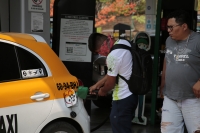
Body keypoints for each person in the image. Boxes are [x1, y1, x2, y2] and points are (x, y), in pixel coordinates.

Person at [88, 33, 138, 133]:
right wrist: (97, 85)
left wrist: (102, 90)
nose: (101, 54)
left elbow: (110, 84)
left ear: (102, 45)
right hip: (131, 96)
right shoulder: (123, 43)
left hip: (121, 99)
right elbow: (115, 72)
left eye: (99, 52)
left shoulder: (113, 56)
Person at [160, 9, 200, 133]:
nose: (168, 31)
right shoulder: (169, 41)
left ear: (184, 26)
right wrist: (162, 84)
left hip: (193, 98)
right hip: (170, 96)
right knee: (168, 131)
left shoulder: (198, 40)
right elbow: (167, 61)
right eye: (167, 27)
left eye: (171, 27)